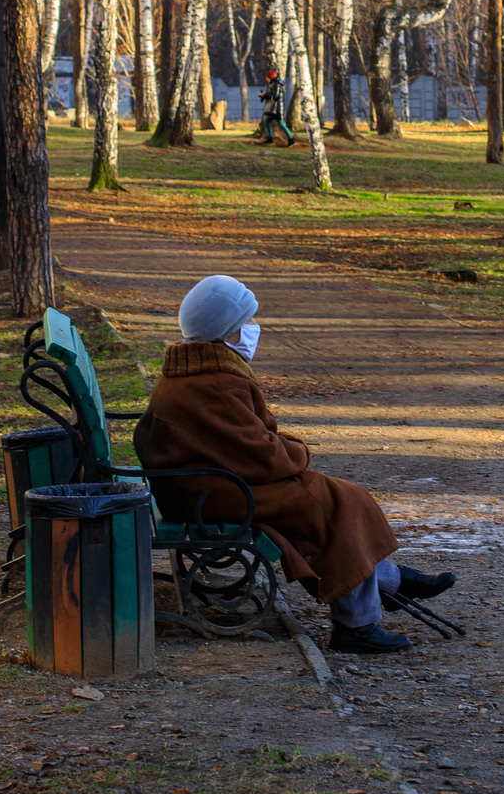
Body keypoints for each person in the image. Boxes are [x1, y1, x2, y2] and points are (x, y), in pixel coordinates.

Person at [135, 274, 455, 654]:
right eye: (244, 324)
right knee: (335, 503)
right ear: (226, 333)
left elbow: (245, 446)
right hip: (212, 493)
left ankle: (386, 583)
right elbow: (263, 453)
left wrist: (285, 453)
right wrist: (299, 452)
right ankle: (357, 624)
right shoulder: (215, 383)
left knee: (332, 498)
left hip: (200, 486)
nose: (252, 330)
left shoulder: (194, 371)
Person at [255, 70, 296, 147]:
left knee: (281, 124)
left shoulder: (276, 84)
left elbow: (275, 95)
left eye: (267, 77)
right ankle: (270, 138)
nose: (266, 79)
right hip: (273, 108)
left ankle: (291, 139)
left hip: (276, 108)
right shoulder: (275, 83)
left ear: (270, 77)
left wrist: (265, 95)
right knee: (266, 120)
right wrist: (265, 95)